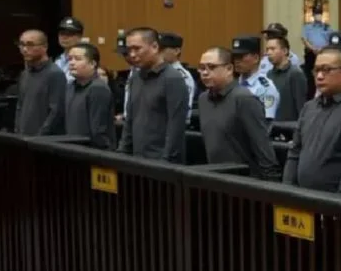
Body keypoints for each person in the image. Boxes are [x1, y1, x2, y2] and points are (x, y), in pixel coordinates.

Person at [283, 47, 341, 197]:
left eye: (327, 70)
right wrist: (286, 193)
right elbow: (295, 152)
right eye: (317, 70)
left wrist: (337, 205)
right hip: (305, 199)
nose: (319, 76)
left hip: (340, 203)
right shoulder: (309, 107)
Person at [195, 47, 281, 180]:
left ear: (229, 69)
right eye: (201, 68)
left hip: (244, 180)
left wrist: (270, 182)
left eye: (211, 67)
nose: (205, 72)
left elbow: (262, 146)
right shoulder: (203, 100)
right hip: (214, 177)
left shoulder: (244, 99)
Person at [117, 28, 190, 162]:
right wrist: (122, 152)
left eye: (137, 49)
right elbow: (130, 120)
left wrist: (166, 162)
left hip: (162, 161)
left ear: (155, 47)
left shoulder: (173, 78)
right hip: (137, 159)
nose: (132, 54)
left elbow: (176, 127)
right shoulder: (135, 78)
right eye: (129, 49)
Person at [14, 29, 67, 135]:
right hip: (23, 137)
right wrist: (17, 131)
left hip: (43, 140)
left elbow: (56, 112)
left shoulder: (55, 74)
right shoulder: (25, 74)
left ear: (44, 47)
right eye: (22, 44)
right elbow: (20, 106)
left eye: (30, 45)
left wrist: (40, 137)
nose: (24, 49)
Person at [64, 43, 116, 150]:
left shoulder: (98, 89)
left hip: (92, 152)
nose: (72, 63)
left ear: (92, 64)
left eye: (77, 59)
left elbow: (98, 130)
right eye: (70, 59)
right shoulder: (70, 87)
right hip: (71, 148)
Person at [230, 36, 281, 120]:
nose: (237, 61)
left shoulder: (266, 89)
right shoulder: (231, 84)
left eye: (241, 56)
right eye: (235, 57)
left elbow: (266, 122)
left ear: (256, 58)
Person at [264, 35, 309, 122]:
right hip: (271, 125)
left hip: (289, 126)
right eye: (267, 49)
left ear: (285, 51)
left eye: (272, 49)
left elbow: (301, 106)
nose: (269, 53)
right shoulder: (269, 74)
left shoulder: (295, 74)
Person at [54, 17, 83, 81]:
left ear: (79, 37)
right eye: (62, 33)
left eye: (69, 34)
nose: (64, 37)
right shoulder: (57, 59)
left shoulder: (84, 60)